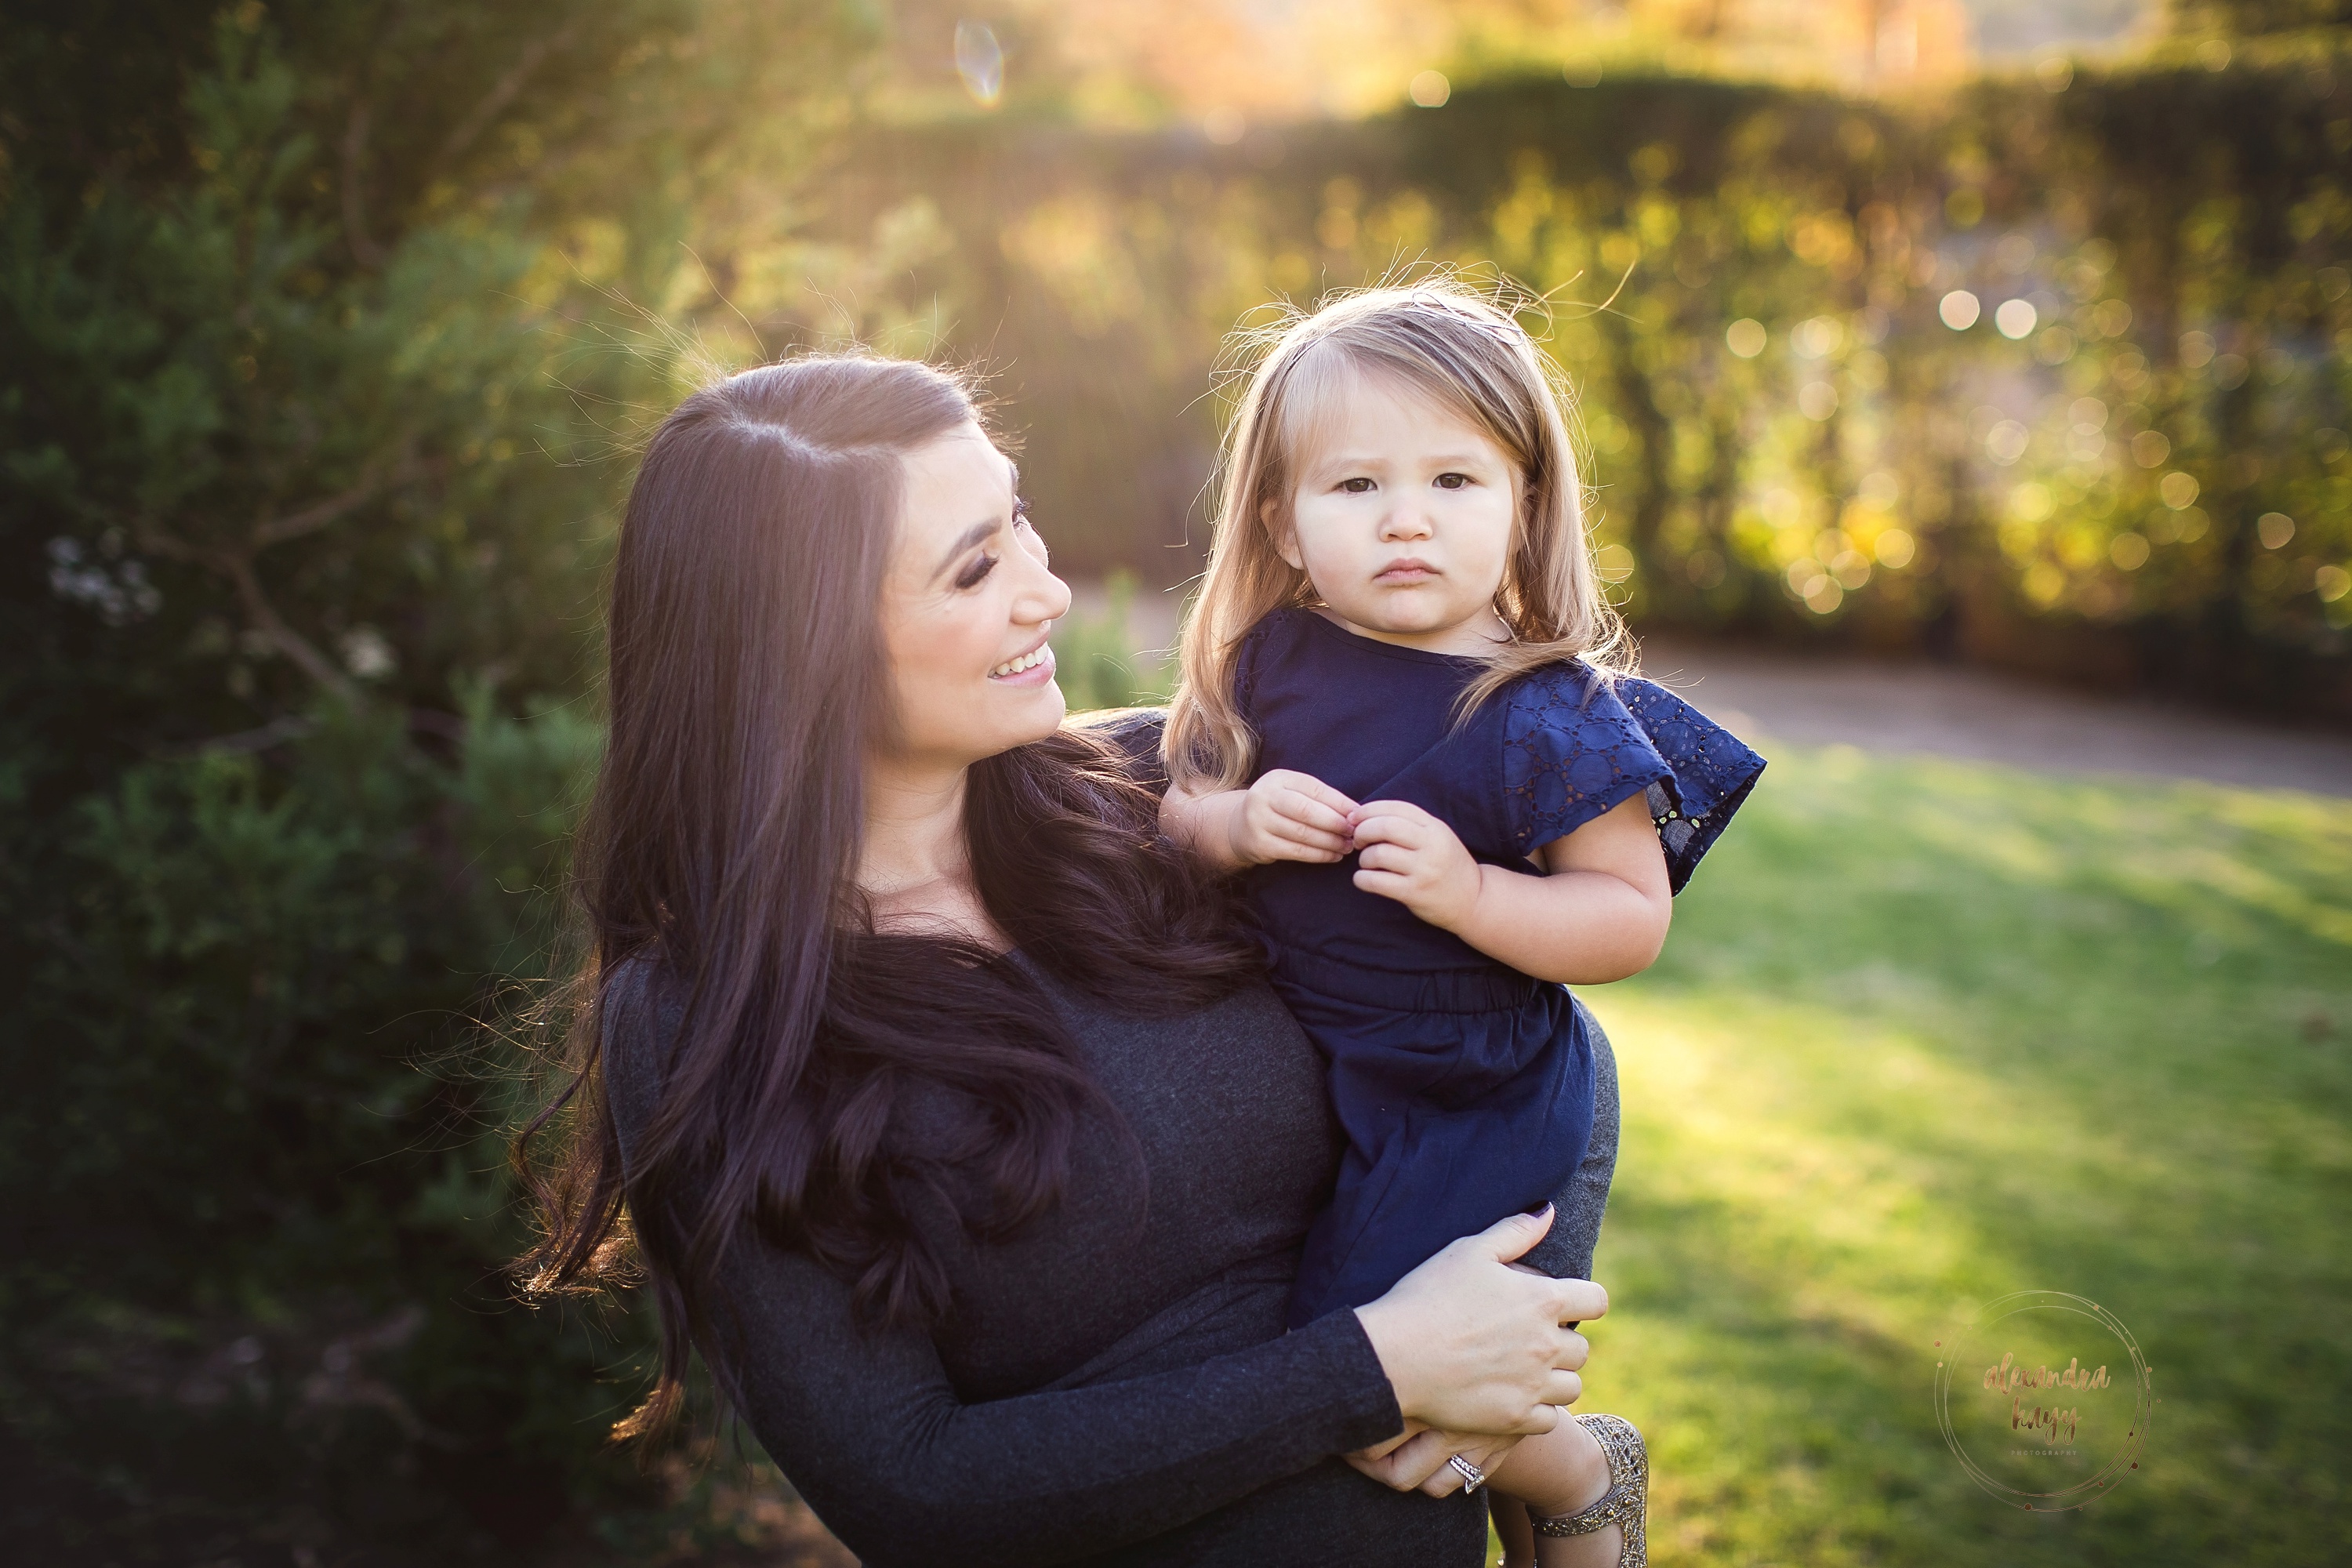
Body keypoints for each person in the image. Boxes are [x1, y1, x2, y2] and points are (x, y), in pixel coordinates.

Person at [516, 353, 1608, 1568]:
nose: (1049, 595)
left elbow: (1529, 1043)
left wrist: (1509, 1392)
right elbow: (912, 1488)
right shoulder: (710, 1017)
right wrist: (1374, 1372)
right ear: (798, 650)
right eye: (977, 567)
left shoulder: (1176, 793)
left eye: (1020, 519)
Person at [1161, 284, 1764, 1566]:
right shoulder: (1277, 657)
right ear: (1281, 517)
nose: (1408, 521)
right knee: (1321, 1364)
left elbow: (1624, 921)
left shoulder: (1541, 708)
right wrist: (1239, 823)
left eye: (1453, 479)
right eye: (1356, 488)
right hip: (1326, 1064)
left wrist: (1470, 893)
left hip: (1468, 1086)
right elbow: (1182, 815)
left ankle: (1577, 1472)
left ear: (1525, 502)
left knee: (1365, 1396)